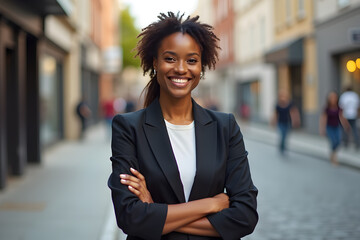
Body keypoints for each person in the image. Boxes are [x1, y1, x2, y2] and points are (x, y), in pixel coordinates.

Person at [108, 12, 258, 240]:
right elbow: (131, 217)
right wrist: (211, 204)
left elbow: (245, 216)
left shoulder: (225, 127)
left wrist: (156, 211)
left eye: (191, 60)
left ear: (202, 67)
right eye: (170, 58)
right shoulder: (129, 129)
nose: (181, 69)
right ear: (155, 63)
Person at [319, 91, 349, 165]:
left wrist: (346, 125)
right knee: (333, 141)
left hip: (337, 126)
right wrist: (322, 128)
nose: (333, 99)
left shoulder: (339, 108)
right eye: (331, 97)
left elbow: (342, 117)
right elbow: (323, 118)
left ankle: (333, 153)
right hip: (329, 127)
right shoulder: (327, 108)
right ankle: (334, 157)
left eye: (334, 97)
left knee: (338, 141)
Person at [271, 90, 300, 154]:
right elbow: (276, 114)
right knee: (282, 134)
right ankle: (282, 147)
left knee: (286, 135)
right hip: (280, 122)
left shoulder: (290, 104)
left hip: (287, 122)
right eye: (282, 96)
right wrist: (273, 122)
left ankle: (282, 146)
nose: (283, 97)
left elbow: (293, 113)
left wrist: (294, 121)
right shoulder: (278, 104)